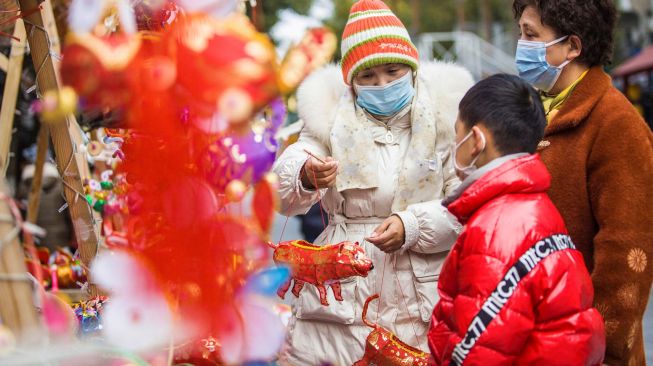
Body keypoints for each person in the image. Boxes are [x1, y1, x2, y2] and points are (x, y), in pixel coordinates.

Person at [272, 0, 474, 364]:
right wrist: (304, 174)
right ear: (351, 82)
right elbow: (285, 179)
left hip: (424, 292)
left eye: (392, 71)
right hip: (343, 296)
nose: (382, 84)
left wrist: (412, 226)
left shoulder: (448, 124)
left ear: (411, 68)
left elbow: (466, 204)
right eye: (368, 77)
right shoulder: (327, 122)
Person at [428, 74, 606, 365]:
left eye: (456, 135)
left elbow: (478, 351)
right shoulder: (536, 205)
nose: (454, 146)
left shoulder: (497, 228)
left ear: (475, 141)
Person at [512, 1, 653, 364]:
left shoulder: (616, 122)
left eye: (531, 35)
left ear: (572, 47)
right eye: (520, 32)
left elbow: (627, 249)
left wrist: (601, 345)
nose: (520, 43)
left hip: (581, 349)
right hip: (530, 335)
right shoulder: (533, 111)